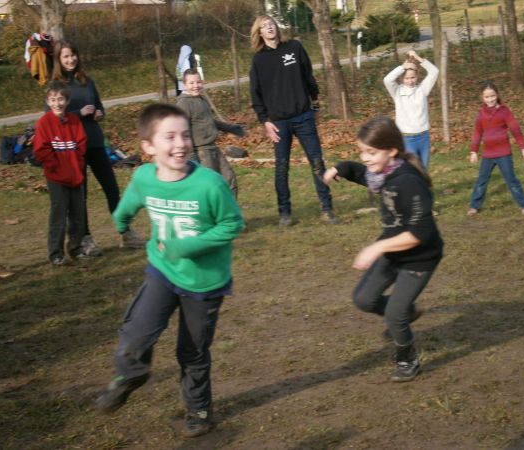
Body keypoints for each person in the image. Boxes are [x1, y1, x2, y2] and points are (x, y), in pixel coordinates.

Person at [95, 103, 244, 438]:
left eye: (185, 135)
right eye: (170, 136)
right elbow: (134, 196)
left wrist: (185, 247)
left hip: (204, 282)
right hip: (162, 271)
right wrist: (121, 220)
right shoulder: (144, 176)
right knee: (137, 331)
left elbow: (233, 224)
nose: (181, 143)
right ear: (148, 146)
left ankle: (199, 411)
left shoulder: (209, 184)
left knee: (191, 351)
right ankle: (131, 375)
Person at [323, 116, 443, 382]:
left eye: (371, 152)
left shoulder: (408, 181)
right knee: (364, 299)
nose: (365, 158)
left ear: (391, 151)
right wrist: (339, 168)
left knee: (393, 314)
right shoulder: (383, 173)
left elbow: (420, 233)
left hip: (420, 257)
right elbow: (361, 173)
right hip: (394, 250)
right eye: (362, 151)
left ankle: (407, 357)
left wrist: (376, 247)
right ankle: (408, 312)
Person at [52, 41, 144, 254]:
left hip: (94, 142)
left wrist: (99, 113)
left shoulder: (86, 81)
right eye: (65, 56)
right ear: (58, 59)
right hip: (73, 148)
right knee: (80, 195)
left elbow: (100, 106)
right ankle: (85, 239)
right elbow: (52, 116)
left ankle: (126, 232)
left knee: (112, 188)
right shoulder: (56, 85)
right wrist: (78, 113)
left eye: (73, 55)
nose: (70, 60)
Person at [249, 15, 337, 226]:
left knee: (317, 163)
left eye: (271, 24)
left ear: (276, 27)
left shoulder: (294, 47)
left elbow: (308, 77)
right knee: (281, 168)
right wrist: (265, 120)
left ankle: (327, 208)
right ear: (259, 33)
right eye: (264, 27)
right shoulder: (259, 60)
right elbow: (255, 93)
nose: (269, 28)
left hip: (303, 116)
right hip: (278, 123)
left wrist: (315, 103)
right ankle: (284, 214)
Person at [33, 81, 87, 265]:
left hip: (75, 176)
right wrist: (55, 165)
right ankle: (55, 253)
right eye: (53, 100)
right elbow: (41, 150)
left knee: (78, 214)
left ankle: (76, 247)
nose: (57, 103)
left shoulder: (74, 120)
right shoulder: (44, 123)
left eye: (61, 99)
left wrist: (77, 164)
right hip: (56, 177)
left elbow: (81, 144)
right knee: (59, 214)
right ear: (48, 102)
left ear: (67, 100)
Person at [176, 68, 245, 197]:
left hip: (213, 148)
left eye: (198, 82)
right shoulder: (184, 104)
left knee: (229, 179)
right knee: (210, 187)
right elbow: (183, 131)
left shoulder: (200, 99)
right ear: (185, 85)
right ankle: (209, 216)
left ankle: (229, 214)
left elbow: (209, 121)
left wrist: (231, 128)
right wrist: (191, 156)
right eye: (191, 83)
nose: (196, 86)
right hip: (201, 152)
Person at [467, 82, 524, 216]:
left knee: (512, 181)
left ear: (497, 95)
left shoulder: (504, 111)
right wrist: (474, 151)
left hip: (503, 154)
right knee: (481, 181)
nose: (490, 99)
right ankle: (474, 206)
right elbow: (477, 133)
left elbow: (515, 130)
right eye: (487, 97)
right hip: (487, 155)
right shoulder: (481, 114)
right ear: (482, 98)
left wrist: (523, 148)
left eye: (492, 96)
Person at [383, 50, 438, 169]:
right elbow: (387, 80)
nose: (410, 81)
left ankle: (423, 188)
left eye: (413, 77)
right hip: (407, 138)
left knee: (424, 170)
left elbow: (434, 72)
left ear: (417, 76)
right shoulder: (397, 91)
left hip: (423, 137)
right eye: (407, 78)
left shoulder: (422, 90)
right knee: (412, 170)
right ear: (402, 78)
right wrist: (403, 67)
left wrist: (418, 58)